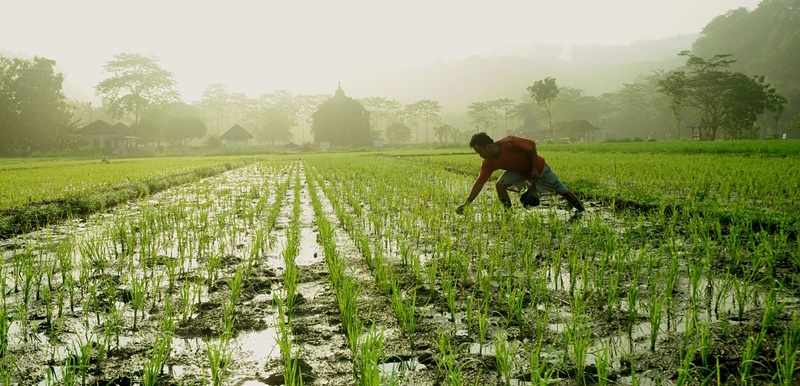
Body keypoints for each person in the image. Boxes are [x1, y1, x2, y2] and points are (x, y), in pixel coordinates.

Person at [455, 132, 584, 215]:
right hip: (519, 172)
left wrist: (534, 168)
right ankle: (508, 213)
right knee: (500, 185)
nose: (480, 155)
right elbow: (479, 183)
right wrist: (467, 204)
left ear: (488, 146)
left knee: (561, 189)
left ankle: (581, 210)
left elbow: (531, 146)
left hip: (538, 167)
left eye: (479, 151)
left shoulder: (509, 142)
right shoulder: (489, 162)